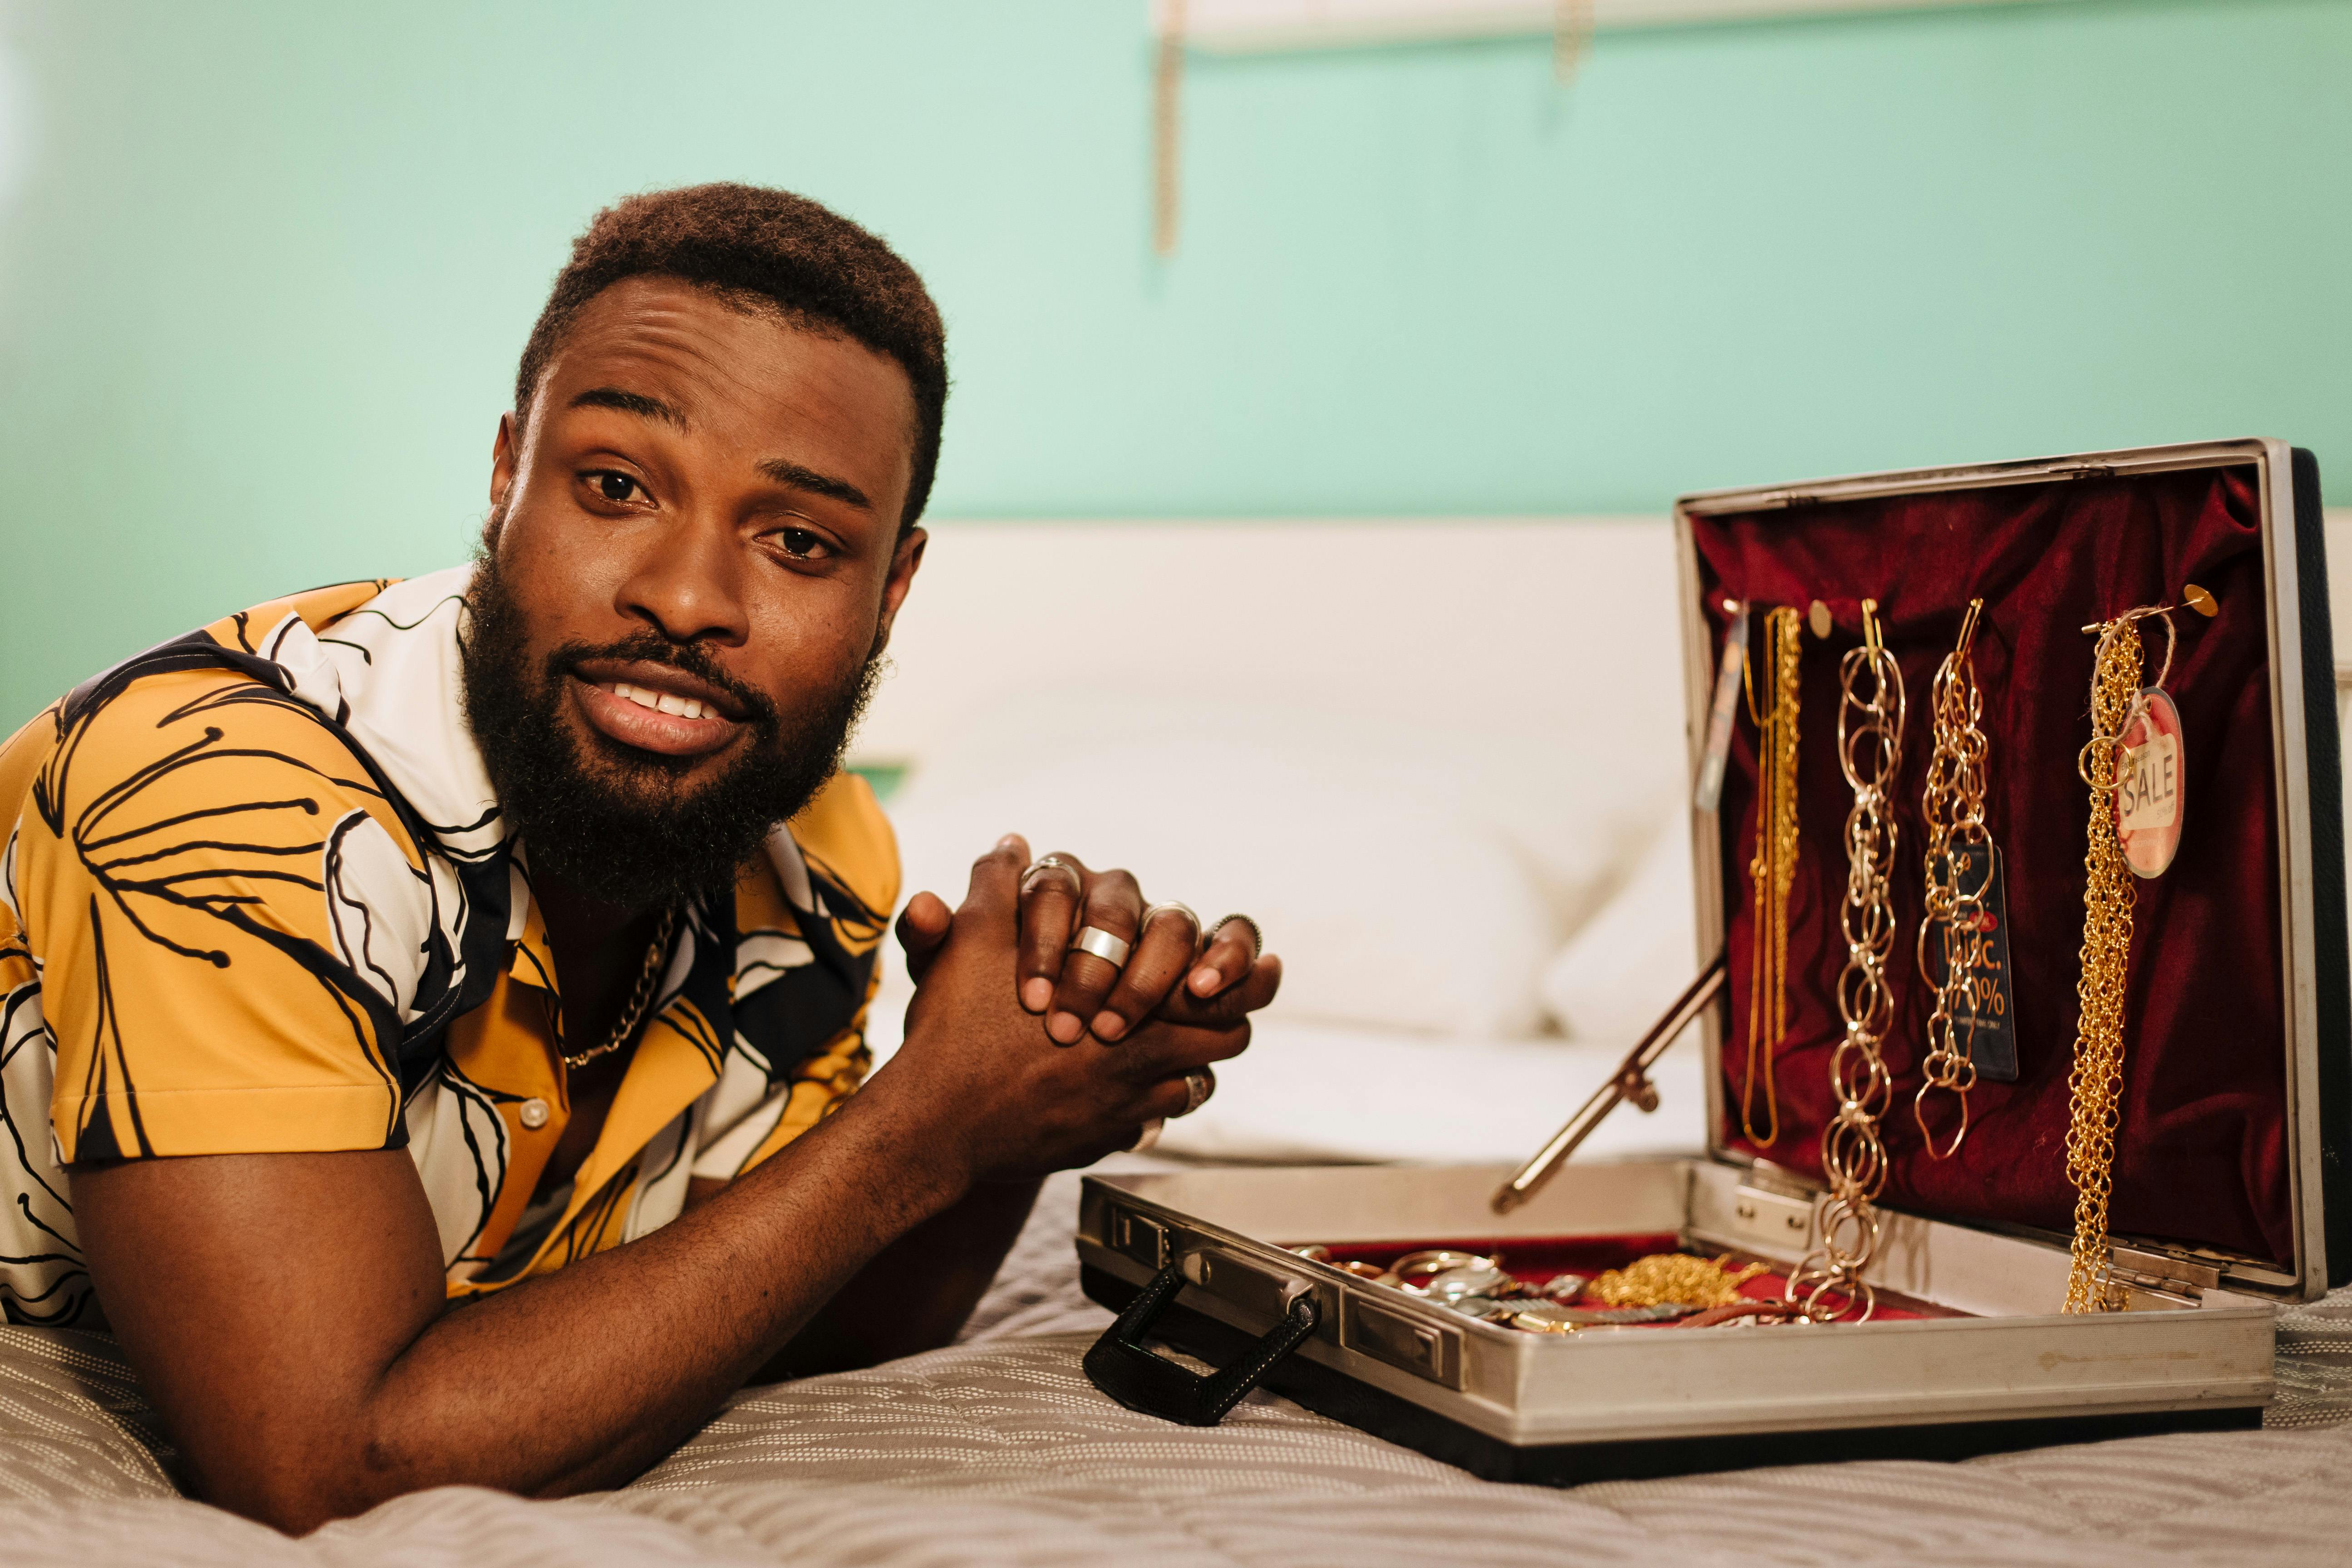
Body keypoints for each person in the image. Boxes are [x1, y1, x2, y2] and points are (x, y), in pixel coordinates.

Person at [0, 183, 1276, 1531]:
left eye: (798, 542)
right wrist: (921, 1128)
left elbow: (790, 1325)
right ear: (506, 476)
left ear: (890, 589)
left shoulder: (817, 855)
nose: (684, 598)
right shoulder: (220, 799)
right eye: (614, 488)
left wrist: (1017, 1089)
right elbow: (322, 1461)